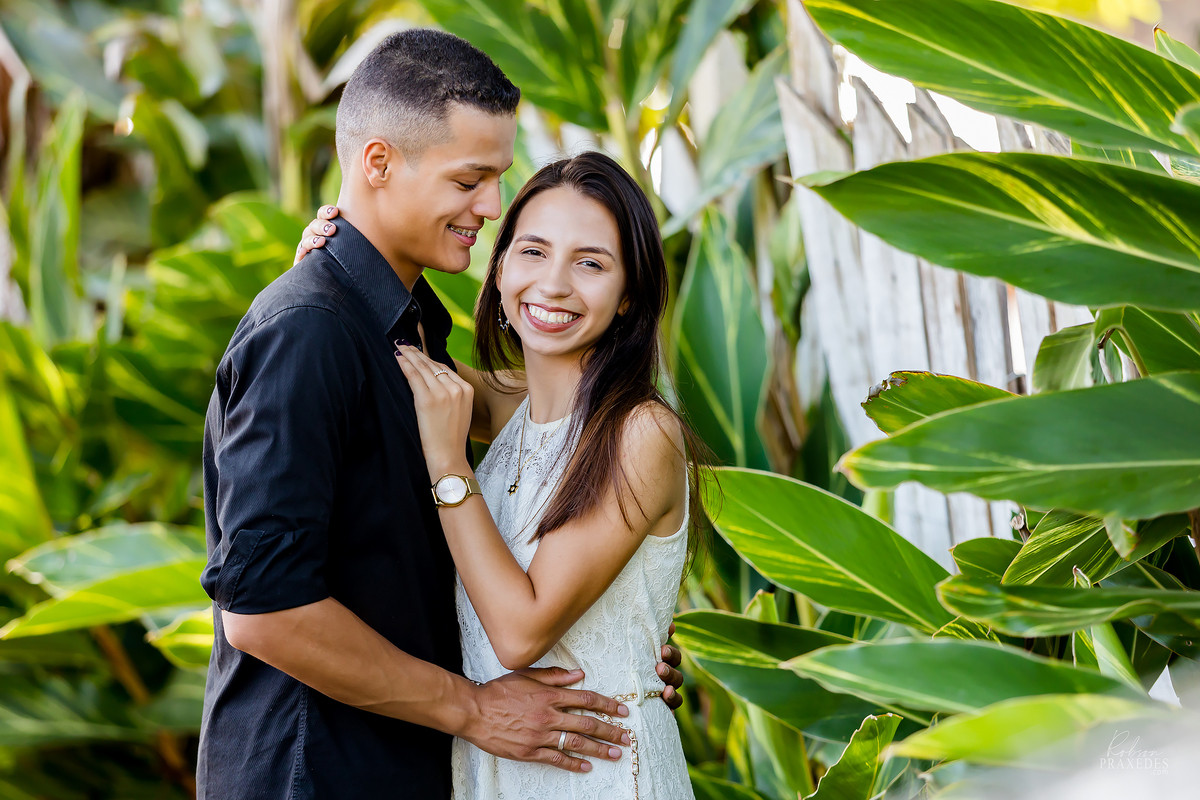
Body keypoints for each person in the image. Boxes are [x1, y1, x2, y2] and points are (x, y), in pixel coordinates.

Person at [198, 30, 682, 800]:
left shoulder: (405, 329)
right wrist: (474, 709)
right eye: (470, 180)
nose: (489, 207)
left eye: (496, 181)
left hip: (440, 766)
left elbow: (562, 417)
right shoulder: (309, 332)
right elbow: (263, 613)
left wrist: (623, 635)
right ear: (379, 163)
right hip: (317, 771)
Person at [296, 151, 705, 799]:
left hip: (593, 771)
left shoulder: (639, 432)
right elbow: (382, 361)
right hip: (500, 766)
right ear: (502, 265)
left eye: (591, 263)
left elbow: (519, 632)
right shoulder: (514, 402)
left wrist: (449, 465)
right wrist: (328, 271)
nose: (554, 284)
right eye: (533, 252)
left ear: (630, 295)